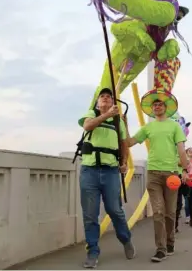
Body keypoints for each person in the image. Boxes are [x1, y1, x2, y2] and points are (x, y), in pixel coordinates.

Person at [124, 89, 189, 263]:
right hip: (153, 173)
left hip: (171, 175)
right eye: (155, 104)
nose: (157, 106)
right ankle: (160, 248)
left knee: (169, 212)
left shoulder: (175, 126)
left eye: (160, 104)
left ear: (166, 108)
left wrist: (185, 169)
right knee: (158, 211)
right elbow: (129, 142)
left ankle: (170, 243)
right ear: (152, 109)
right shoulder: (148, 128)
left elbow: (182, 150)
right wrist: (124, 125)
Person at [78, 88, 135, 269]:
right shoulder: (91, 114)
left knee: (115, 210)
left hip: (110, 171)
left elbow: (124, 143)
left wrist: (124, 162)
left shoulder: (119, 121)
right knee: (90, 214)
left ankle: (125, 239)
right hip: (89, 171)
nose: (106, 99)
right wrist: (106, 114)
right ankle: (92, 251)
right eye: (102, 97)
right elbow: (87, 126)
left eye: (109, 97)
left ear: (113, 102)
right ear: (97, 103)